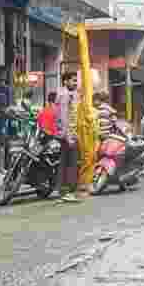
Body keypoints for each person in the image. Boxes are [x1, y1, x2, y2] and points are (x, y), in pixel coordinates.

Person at [55, 72, 81, 203]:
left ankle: (63, 191)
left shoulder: (70, 95)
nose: (75, 83)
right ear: (65, 82)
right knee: (71, 164)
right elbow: (63, 117)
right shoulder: (65, 95)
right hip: (68, 135)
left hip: (69, 133)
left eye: (76, 81)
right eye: (73, 81)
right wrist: (69, 136)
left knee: (66, 163)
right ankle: (68, 191)